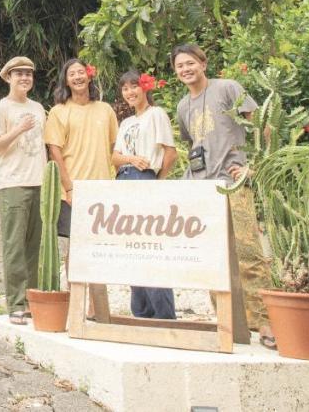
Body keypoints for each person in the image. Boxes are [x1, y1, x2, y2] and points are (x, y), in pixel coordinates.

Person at [171, 43, 275, 347]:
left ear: (203, 63)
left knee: (249, 254)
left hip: (233, 184)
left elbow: (262, 125)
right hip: (201, 190)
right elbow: (192, 144)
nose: (186, 69)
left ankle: (266, 323)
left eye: (190, 63)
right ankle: (228, 322)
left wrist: (254, 164)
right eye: (180, 66)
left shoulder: (228, 89)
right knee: (212, 259)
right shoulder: (182, 106)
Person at [111, 69, 178, 320]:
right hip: (124, 177)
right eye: (125, 88)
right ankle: (141, 313)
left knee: (151, 248)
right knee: (131, 248)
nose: (130, 92)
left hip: (145, 178)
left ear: (145, 88)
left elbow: (170, 153)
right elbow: (115, 158)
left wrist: (157, 181)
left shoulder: (156, 114)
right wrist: (131, 158)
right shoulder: (127, 122)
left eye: (134, 86)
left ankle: (163, 316)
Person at [0, 55, 48, 325]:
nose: (24, 77)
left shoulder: (38, 107)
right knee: (15, 246)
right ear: (8, 77)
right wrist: (18, 130)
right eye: (19, 73)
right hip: (13, 183)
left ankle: (33, 300)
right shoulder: (1, 109)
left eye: (28, 73)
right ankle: (16, 304)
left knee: (35, 246)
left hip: (40, 182)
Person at [44, 59, 118, 244]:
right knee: (76, 248)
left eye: (81, 72)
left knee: (102, 245)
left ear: (89, 76)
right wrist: (69, 188)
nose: (77, 76)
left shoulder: (105, 109)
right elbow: (54, 152)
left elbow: (114, 149)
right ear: (66, 81)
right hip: (73, 191)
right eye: (72, 74)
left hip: (103, 189)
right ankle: (73, 276)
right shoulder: (58, 112)